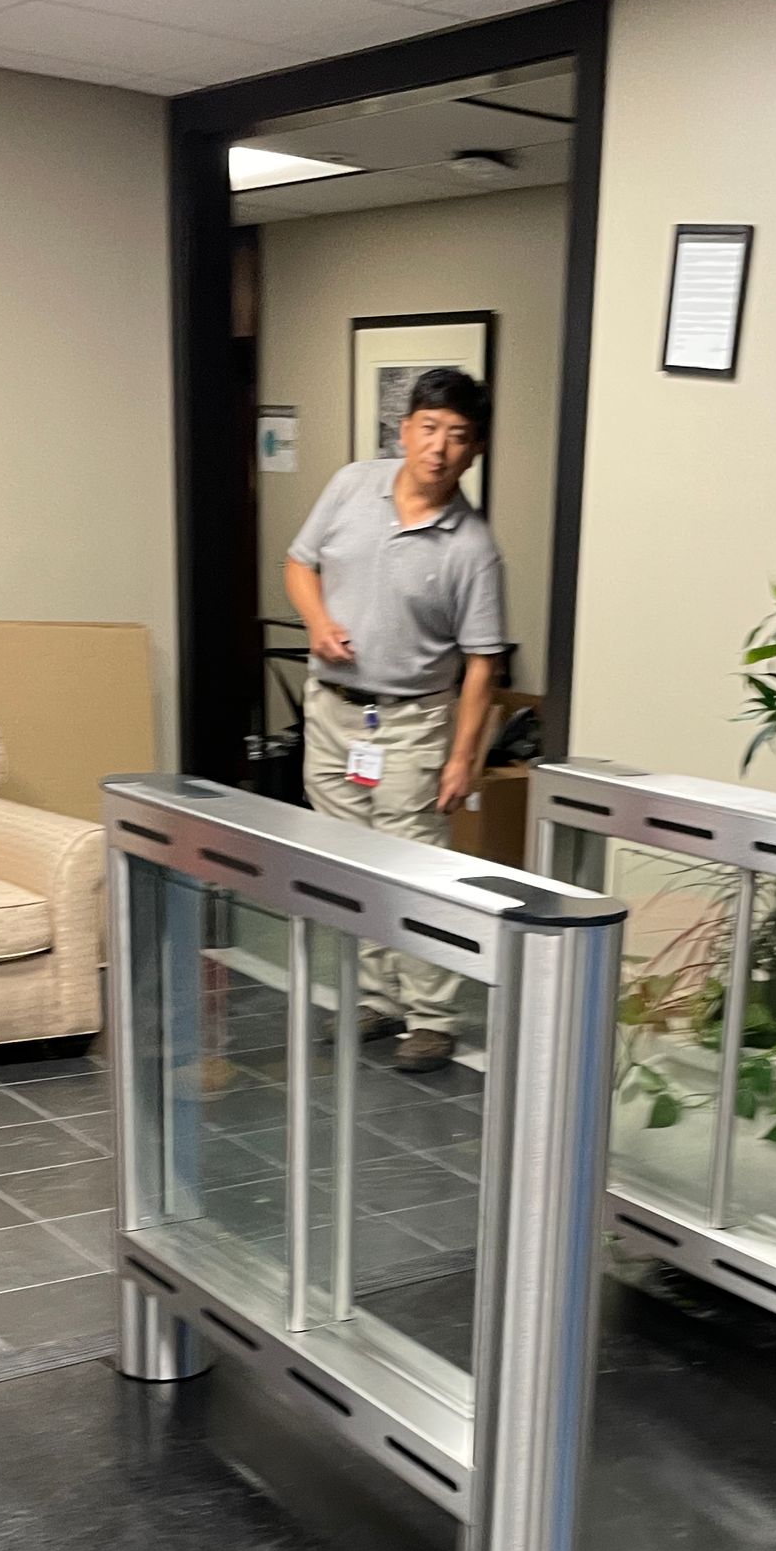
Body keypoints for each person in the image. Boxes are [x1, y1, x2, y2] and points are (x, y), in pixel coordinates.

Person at [284, 367, 506, 1075]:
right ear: (406, 429)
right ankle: (377, 998)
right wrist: (318, 622)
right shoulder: (353, 484)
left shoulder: (472, 547)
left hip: (411, 723)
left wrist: (462, 757)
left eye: (458, 437)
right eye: (430, 428)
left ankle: (433, 1017)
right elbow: (299, 562)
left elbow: (482, 662)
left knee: (414, 868)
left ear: (473, 452)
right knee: (349, 859)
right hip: (332, 713)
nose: (440, 448)